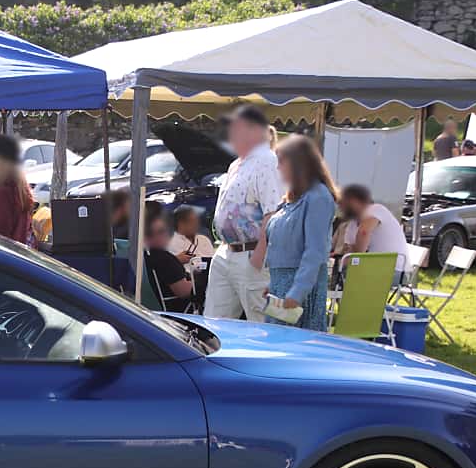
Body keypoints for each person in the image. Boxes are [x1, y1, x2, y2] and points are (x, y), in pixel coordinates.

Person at [206, 104, 282, 321]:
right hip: (226, 252)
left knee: (260, 325)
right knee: (213, 323)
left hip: (251, 254)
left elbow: (273, 210)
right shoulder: (235, 164)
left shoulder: (267, 161)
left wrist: (260, 254)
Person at [262, 135, 339, 331]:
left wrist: (297, 292)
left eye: (281, 161)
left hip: (300, 293)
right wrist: (273, 285)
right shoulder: (292, 199)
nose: (277, 167)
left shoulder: (318, 197)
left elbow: (315, 251)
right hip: (281, 291)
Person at [142, 202, 198, 311]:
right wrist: (204, 282)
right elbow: (183, 291)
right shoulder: (163, 259)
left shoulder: (143, 256)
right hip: (182, 313)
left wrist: (176, 260)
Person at [336, 183, 409, 258]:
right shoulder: (352, 225)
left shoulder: (375, 209)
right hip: (374, 264)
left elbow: (363, 233)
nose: (341, 207)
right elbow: (349, 249)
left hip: (391, 266)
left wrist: (354, 257)